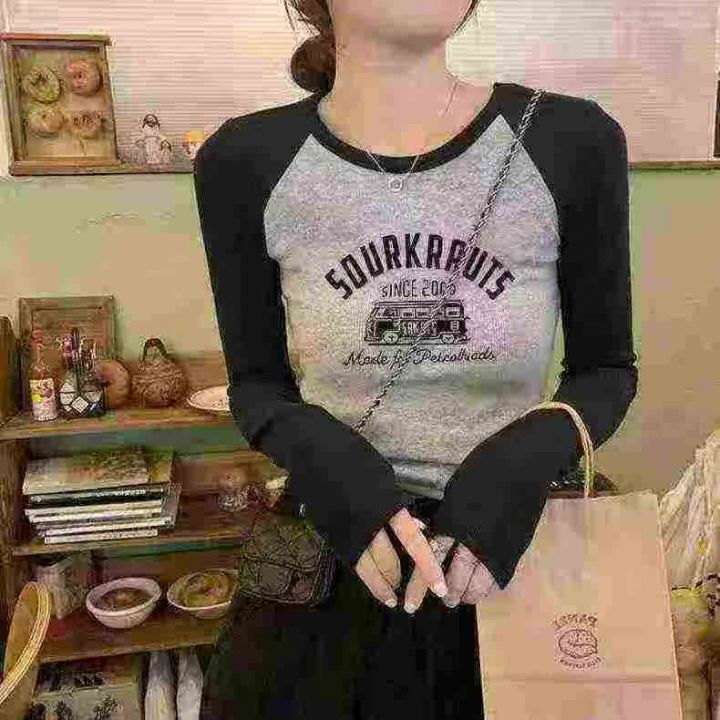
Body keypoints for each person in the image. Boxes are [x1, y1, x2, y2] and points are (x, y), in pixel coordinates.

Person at [193, 0, 638, 717]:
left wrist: (524, 457)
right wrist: (324, 456)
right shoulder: (244, 160)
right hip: (338, 552)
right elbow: (256, 384)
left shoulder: (570, 141)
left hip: (510, 550)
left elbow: (607, 370)